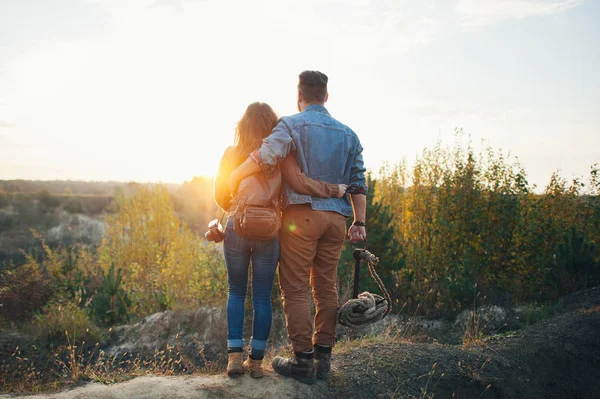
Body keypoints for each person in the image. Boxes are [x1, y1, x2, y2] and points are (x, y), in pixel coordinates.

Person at [227, 70, 368, 385]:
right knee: (326, 287)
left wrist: (235, 176)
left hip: (301, 218)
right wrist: (359, 222)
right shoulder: (349, 134)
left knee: (295, 289)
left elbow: (265, 155)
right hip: (336, 221)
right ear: (326, 97)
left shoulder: (290, 124)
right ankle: (324, 359)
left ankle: (303, 361)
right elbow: (358, 184)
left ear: (299, 96)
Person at [213, 101, 347, 379]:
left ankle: (234, 359)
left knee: (236, 292)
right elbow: (295, 187)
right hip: (270, 233)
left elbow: (219, 196)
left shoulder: (231, 153)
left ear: (243, 125)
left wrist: (239, 204)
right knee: (263, 296)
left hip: (237, 228)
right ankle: (257, 363)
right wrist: (332, 190)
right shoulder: (280, 155)